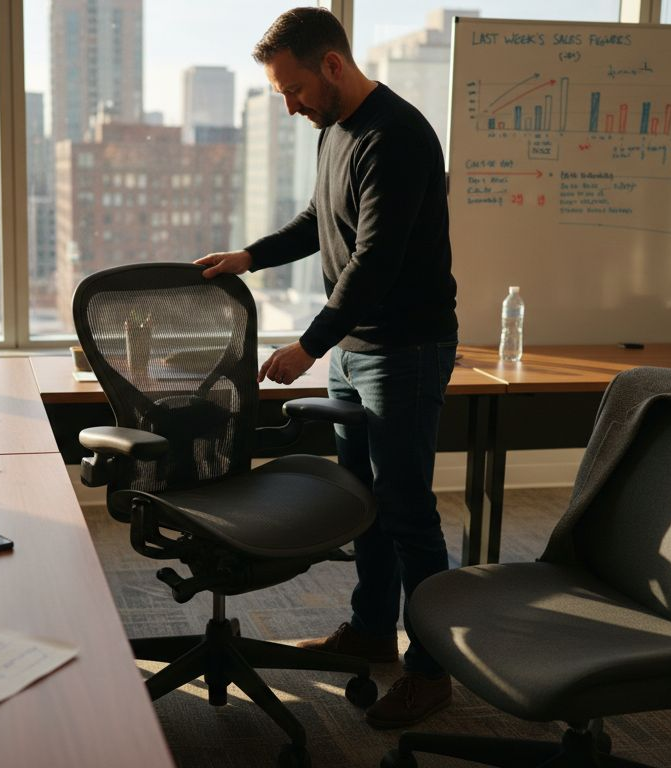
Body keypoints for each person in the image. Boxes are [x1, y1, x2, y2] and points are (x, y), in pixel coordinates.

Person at [195, 7, 459, 729]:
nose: (290, 105)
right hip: (357, 349)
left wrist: (309, 345)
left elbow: (375, 260)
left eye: (294, 89)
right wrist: (250, 256)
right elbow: (320, 221)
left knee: (407, 511)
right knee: (363, 501)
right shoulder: (335, 129)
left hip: (405, 351)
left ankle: (431, 669)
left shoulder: (396, 136)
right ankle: (372, 630)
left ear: (332, 66)